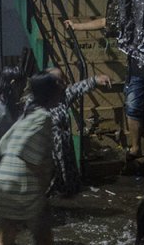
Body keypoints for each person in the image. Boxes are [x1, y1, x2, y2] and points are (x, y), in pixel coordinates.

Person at [65, 16, 144, 172]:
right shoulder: (136, 10)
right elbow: (106, 21)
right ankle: (135, 147)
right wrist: (77, 26)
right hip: (137, 69)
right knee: (133, 107)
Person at [0, 70, 60, 245]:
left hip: (2, 179)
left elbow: (3, 144)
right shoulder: (44, 117)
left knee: (6, 237)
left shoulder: (26, 114)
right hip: (23, 181)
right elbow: (31, 156)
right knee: (43, 236)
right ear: (51, 94)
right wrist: (42, 189)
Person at [45, 67, 111, 197]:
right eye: (61, 79)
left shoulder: (61, 97)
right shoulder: (37, 102)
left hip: (65, 147)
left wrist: (96, 80)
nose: (66, 81)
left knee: (68, 184)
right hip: (49, 151)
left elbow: (77, 88)